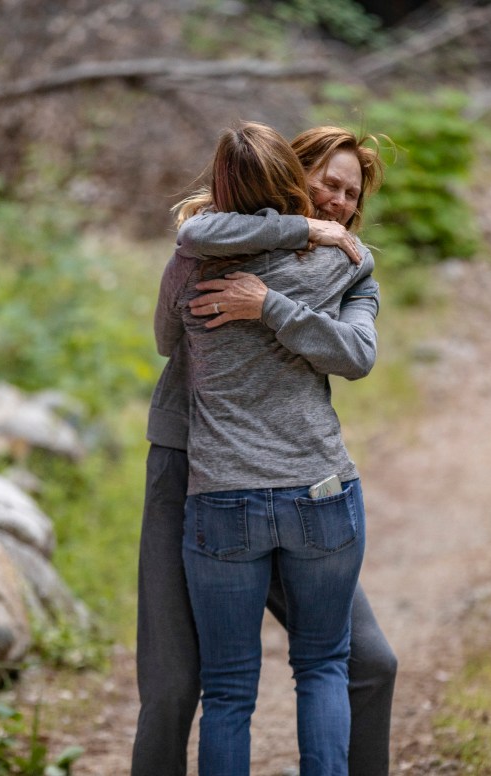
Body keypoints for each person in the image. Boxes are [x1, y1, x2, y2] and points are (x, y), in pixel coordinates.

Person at [133, 126, 396, 776]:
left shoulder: (342, 263)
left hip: (241, 494)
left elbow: (356, 352)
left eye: (349, 195)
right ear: (289, 178)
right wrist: (300, 232)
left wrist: (270, 303)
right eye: (326, 185)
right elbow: (197, 239)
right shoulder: (224, 242)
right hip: (196, 466)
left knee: (338, 666)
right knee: (179, 681)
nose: (337, 203)